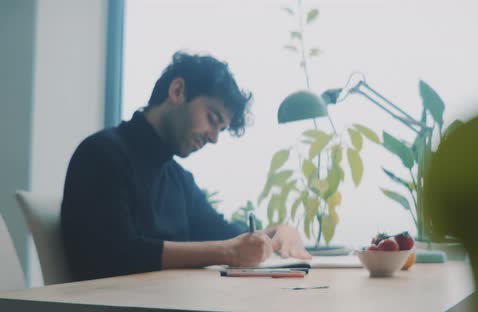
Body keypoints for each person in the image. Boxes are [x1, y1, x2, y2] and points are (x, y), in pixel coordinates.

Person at [61, 52, 311, 281]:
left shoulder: (178, 180)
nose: (214, 138)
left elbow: (228, 235)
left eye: (221, 129)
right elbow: (117, 254)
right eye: (212, 119)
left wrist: (278, 232)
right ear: (178, 91)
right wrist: (226, 252)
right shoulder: (101, 154)